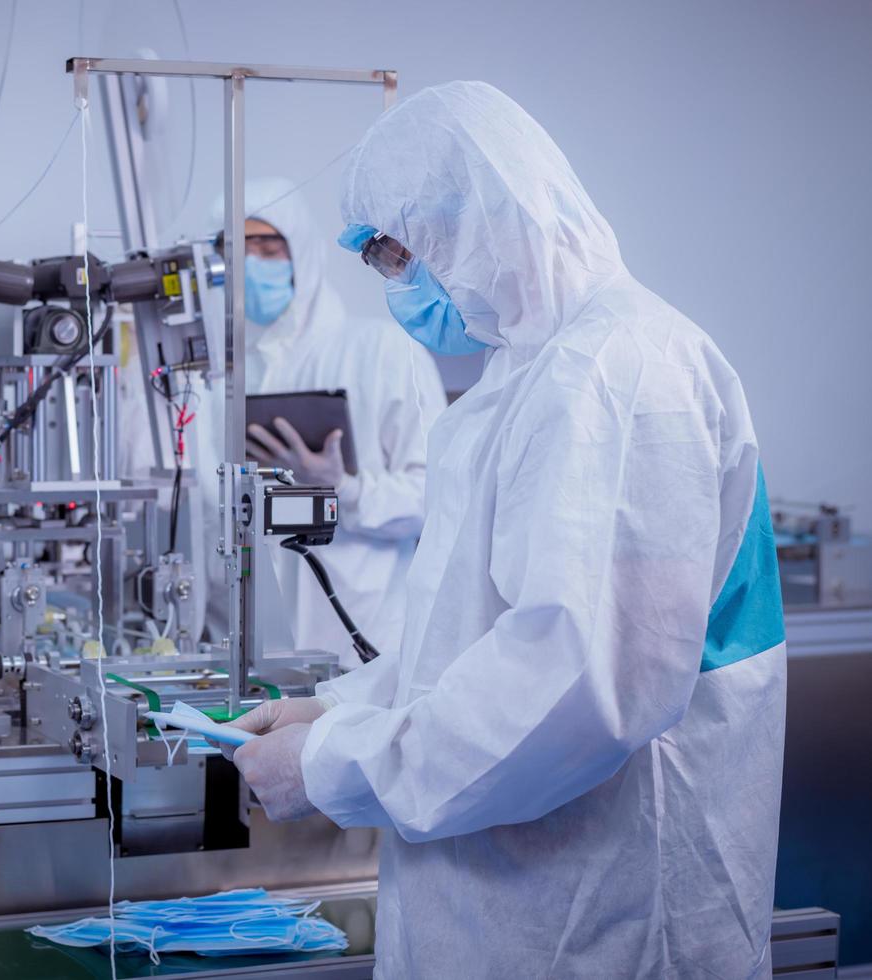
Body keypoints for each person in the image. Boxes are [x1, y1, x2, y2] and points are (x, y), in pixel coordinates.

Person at [227, 82, 786, 978]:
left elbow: (570, 685)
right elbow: (474, 638)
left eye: (398, 252)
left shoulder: (614, 372)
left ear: (477, 220)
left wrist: (330, 763)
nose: (395, 284)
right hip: (515, 903)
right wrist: (336, 707)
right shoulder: (519, 379)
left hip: (601, 914)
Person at [186, 177, 445, 665]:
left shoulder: (383, 351)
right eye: (234, 249)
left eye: (266, 244)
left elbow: (439, 495)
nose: (249, 262)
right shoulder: (221, 375)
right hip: (251, 648)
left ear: (300, 249)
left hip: (364, 639)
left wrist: (342, 487)